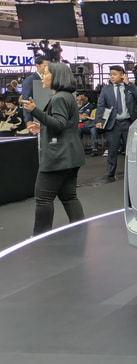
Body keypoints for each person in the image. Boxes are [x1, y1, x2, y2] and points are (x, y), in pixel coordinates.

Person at [20, 62, 86, 235]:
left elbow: (59, 124)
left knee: (43, 198)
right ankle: (81, 231)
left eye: (46, 73)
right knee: (69, 197)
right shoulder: (67, 96)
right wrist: (42, 125)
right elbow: (62, 124)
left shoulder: (59, 98)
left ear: (57, 77)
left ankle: (40, 237)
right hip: (70, 155)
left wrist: (35, 111)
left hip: (58, 157)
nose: (42, 76)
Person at [95, 65, 137, 183]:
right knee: (112, 149)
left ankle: (133, 171)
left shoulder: (129, 88)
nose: (112, 77)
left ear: (122, 75)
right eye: (110, 75)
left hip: (128, 123)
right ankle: (110, 172)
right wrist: (98, 120)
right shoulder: (106, 90)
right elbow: (101, 105)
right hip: (113, 124)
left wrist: (129, 84)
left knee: (131, 149)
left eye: (115, 74)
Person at [21, 55, 50, 133]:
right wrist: (29, 121)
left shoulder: (51, 79)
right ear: (37, 66)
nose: (47, 68)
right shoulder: (30, 80)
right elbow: (26, 101)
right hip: (36, 118)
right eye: (45, 66)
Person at [76, 92, 99, 156]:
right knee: (77, 129)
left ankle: (94, 149)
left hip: (91, 125)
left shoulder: (91, 106)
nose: (79, 102)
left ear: (86, 99)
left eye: (81, 100)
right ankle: (78, 149)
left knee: (93, 129)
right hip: (81, 125)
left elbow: (84, 117)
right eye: (77, 100)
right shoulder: (78, 107)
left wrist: (76, 114)